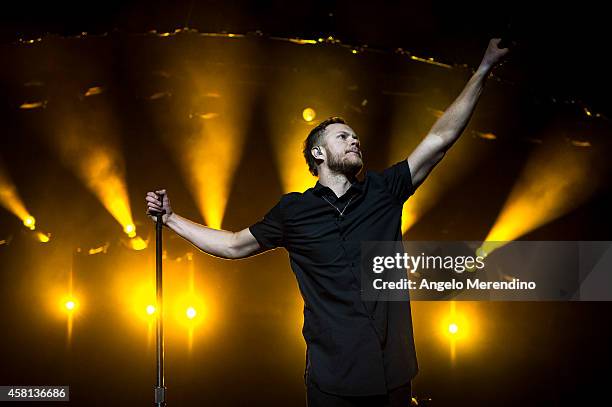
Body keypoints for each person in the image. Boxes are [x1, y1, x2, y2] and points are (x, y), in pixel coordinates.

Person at [146, 38, 509, 407]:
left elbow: (440, 138)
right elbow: (233, 245)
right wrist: (172, 219)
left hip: (392, 375)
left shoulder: (384, 190)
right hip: (332, 381)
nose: (354, 140)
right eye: (343, 136)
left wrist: (483, 68)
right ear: (318, 153)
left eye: (355, 136)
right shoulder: (294, 211)